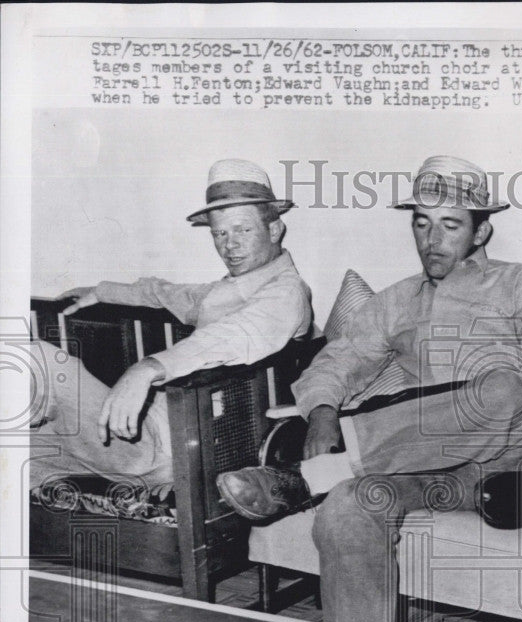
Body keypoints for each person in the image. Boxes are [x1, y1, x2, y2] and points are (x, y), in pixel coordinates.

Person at [217, 155, 522, 622]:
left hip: (509, 457)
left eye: (450, 225)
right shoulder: (397, 300)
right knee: (348, 506)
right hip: (422, 466)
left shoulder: (521, 284)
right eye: (422, 224)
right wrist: (324, 411)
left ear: (481, 233)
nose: (432, 240)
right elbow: (337, 360)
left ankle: (308, 476)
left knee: (503, 390)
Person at [30, 159, 314, 498]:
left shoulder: (286, 292)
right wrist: (100, 292)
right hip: (148, 435)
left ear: (274, 230)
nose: (229, 245)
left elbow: (234, 334)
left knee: (41, 361)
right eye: (220, 233)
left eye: (243, 229)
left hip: (179, 447)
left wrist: (148, 368)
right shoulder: (229, 289)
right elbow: (165, 293)